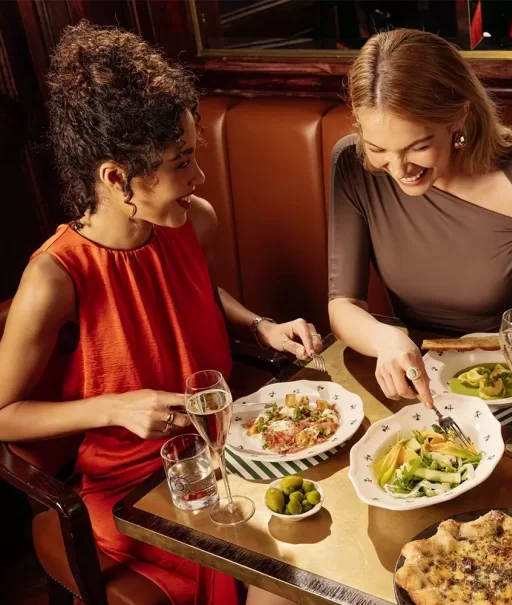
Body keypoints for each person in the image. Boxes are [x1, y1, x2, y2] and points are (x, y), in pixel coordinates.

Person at [0, 21, 321, 605]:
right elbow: (2, 413)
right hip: (133, 489)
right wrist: (113, 408)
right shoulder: (54, 276)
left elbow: (196, 294)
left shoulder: (192, 221)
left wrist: (260, 325)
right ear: (116, 177)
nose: (198, 177)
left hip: (227, 449)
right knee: (283, 587)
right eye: (181, 161)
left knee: (322, 553)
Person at [328, 28, 512, 406]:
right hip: (419, 378)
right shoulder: (353, 164)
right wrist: (384, 339)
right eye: (378, 148)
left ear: (459, 117)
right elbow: (343, 304)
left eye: (418, 147)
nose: (397, 168)